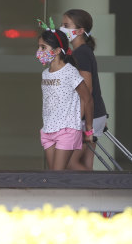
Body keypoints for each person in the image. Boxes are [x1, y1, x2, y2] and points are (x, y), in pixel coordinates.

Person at [36, 18, 94, 170]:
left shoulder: (70, 72)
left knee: (57, 175)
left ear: (56, 51)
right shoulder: (45, 73)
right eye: (39, 47)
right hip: (48, 129)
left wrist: (88, 130)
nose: (39, 52)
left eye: (43, 47)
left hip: (67, 130)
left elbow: (87, 99)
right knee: (52, 176)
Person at [60, 9, 108, 170]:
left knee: (70, 162)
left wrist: (74, 121)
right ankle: (95, 193)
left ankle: (100, 190)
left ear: (80, 31)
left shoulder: (80, 54)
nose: (62, 28)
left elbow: (86, 91)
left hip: (87, 118)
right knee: (86, 165)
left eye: (66, 25)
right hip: (95, 115)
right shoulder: (84, 52)